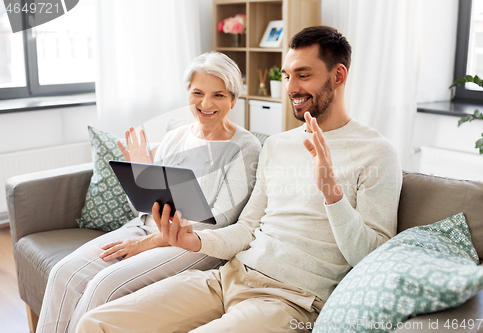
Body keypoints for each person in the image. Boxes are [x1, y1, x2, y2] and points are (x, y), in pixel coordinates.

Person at [76, 26, 402, 333]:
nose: (290, 88)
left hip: (291, 300)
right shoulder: (277, 145)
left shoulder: (376, 153)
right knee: (96, 324)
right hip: (228, 277)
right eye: (287, 75)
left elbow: (372, 258)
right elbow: (247, 229)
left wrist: (332, 194)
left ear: (338, 75)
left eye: (303, 75)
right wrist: (195, 241)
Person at [35, 52, 262, 333]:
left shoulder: (246, 147)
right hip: (145, 229)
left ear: (233, 98)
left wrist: (144, 245)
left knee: (103, 286)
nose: (206, 103)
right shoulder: (176, 136)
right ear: (188, 94)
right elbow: (145, 208)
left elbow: (219, 221)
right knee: (63, 273)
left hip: (195, 244)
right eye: (198, 93)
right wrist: (140, 174)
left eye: (218, 95)